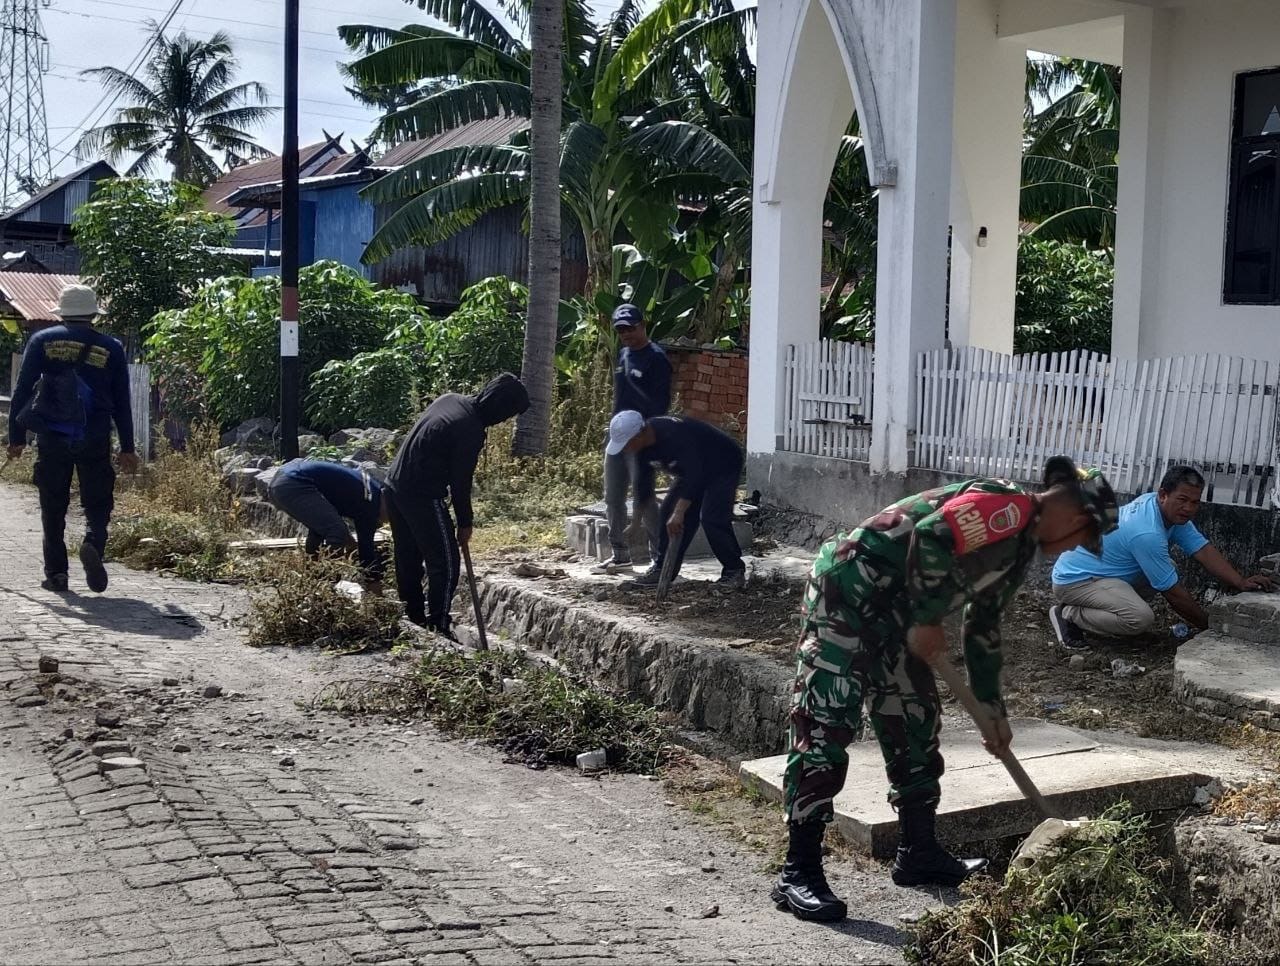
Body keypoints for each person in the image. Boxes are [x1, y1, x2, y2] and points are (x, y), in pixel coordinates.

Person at [772, 458, 1119, 923]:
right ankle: (799, 871)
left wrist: (992, 711)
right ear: (1079, 519)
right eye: (1083, 540)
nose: (1070, 549)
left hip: (900, 612)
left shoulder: (1017, 551)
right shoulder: (1007, 506)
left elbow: (983, 627)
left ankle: (918, 852)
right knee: (827, 721)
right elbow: (931, 536)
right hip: (848, 594)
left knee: (915, 717)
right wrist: (929, 617)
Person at [1049, 464, 1274, 648]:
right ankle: (1068, 614)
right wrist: (1211, 627)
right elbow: (1173, 595)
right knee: (1140, 618)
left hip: (1105, 574)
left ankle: (1108, 613)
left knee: (1168, 567)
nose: (1189, 508)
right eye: (1183, 500)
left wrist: (1240, 581)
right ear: (1163, 495)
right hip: (1075, 581)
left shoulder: (1168, 513)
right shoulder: (1147, 531)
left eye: (1195, 502)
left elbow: (1203, 551)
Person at [8, 284, 138, 594]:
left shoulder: (42, 341)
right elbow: (122, 400)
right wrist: (128, 447)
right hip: (95, 435)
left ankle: (57, 575)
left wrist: (16, 438)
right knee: (98, 502)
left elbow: (22, 391)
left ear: (62, 312)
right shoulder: (113, 347)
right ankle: (93, 541)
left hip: (53, 436)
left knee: (53, 506)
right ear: (94, 314)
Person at [385, 373, 529, 635]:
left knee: (408, 556)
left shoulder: (450, 400)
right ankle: (438, 625)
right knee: (446, 563)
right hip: (422, 494)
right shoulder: (469, 429)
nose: (504, 421)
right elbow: (460, 482)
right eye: (507, 415)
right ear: (500, 408)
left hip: (395, 484)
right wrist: (465, 522)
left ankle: (414, 618)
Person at [604, 410, 745, 589]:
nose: (625, 448)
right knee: (667, 512)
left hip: (723, 463)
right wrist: (636, 522)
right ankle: (663, 569)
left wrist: (680, 512)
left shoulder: (674, 435)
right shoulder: (640, 449)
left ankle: (734, 571)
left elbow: (697, 475)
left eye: (626, 443)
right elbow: (643, 487)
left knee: (712, 518)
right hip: (692, 471)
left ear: (640, 433)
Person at [594, 304, 671, 574]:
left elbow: (661, 404)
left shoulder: (657, 358)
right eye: (621, 329)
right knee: (613, 497)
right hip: (617, 436)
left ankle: (660, 559)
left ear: (642, 325)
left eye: (630, 327)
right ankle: (620, 554)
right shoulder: (623, 354)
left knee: (645, 498)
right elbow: (619, 397)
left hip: (642, 439)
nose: (626, 333)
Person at [268, 459, 388, 591]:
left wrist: (349, 541)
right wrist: (373, 582)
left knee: (320, 530)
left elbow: (331, 516)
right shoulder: (371, 502)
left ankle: (312, 579)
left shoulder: (370, 489)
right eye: (390, 517)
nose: (385, 521)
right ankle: (327, 583)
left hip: (282, 480)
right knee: (336, 531)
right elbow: (366, 549)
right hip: (294, 482)